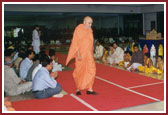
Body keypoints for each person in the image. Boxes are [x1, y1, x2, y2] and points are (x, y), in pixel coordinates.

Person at [66, 16, 98, 95]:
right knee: (79, 71)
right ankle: (78, 88)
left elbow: (91, 41)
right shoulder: (78, 29)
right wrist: (78, 54)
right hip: (81, 54)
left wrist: (92, 51)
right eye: (89, 23)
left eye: (91, 23)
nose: (90, 25)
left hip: (89, 54)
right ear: (84, 22)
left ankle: (90, 89)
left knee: (92, 70)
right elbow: (75, 43)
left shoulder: (90, 30)